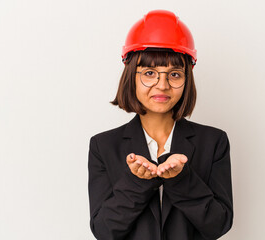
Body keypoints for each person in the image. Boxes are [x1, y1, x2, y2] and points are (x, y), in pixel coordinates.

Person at [88, 9, 233, 240]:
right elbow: (104, 230)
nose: (162, 85)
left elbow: (218, 224)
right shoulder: (104, 146)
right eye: (149, 73)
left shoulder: (214, 142)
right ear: (130, 77)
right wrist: (137, 181)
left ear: (187, 79)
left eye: (174, 74)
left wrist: (181, 179)